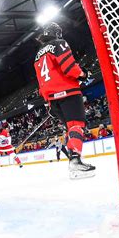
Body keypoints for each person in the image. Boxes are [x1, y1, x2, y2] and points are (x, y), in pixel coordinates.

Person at [33, 22, 96, 179]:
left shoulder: (38, 54)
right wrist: (83, 74)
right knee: (76, 126)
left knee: (70, 128)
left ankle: (73, 161)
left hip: (52, 99)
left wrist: (48, 101)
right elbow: (69, 68)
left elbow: (42, 81)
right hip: (68, 93)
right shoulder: (58, 43)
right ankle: (75, 161)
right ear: (57, 33)